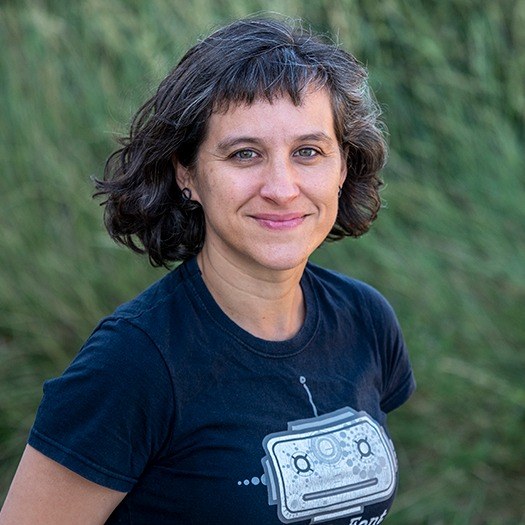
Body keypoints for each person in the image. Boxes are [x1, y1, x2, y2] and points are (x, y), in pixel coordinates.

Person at [0, 16, 415, 525]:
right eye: (245, 154)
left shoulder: (366, 319)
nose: (281, 188)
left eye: (308, 152)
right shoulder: (132, 363)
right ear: (187, 173)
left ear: (343, 167)